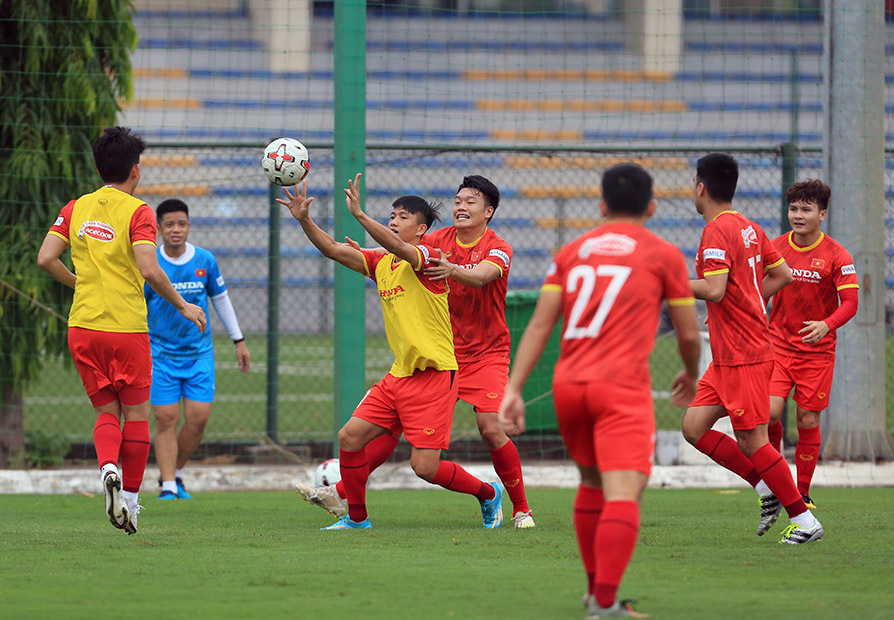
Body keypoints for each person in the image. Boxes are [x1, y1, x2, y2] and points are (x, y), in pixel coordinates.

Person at [500, 163, 701, 619]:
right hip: (620, 389)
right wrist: (690, 372)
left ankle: (596, 595)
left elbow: (541, 323)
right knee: (625, 493)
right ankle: (606, 604)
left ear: (602, 205)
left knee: (591, 483)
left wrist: (513, 388)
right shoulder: (663, 253)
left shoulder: (572, 251)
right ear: (652, 207)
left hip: (569, 387)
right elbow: (689, 335)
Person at [296, 175, 536, 529]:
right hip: (418, 362)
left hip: (477, 354)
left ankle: (519, 508)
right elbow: (364, 248)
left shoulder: (494, 247)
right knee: (357, 435)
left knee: (486, 429)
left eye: (470, 202)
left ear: (489, 212)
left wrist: (366, 220)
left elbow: (480, 275)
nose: (460, 207)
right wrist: (305, 219)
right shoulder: (429, 241)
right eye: (457, 200)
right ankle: (352, 509)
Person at [36, 126, 206, 535]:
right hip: (126, 329)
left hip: (82, 327)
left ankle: (107, 467)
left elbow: (45, 259)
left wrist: (80, 284)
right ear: (137, 169)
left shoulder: (75, 207)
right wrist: (183, 304)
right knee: (136, 415)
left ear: (98, 168)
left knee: (105, 412)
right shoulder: (138, 211)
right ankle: (129, 501)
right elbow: (149, 268)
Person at [680, 153, 824, 545]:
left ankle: (805, 520)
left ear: (701, 187)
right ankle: (766, 489)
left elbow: (713, 288)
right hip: (730, 353)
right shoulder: (749, 227)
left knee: (752, 440)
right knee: (694, 428)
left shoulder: (715, 231)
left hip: (745, 353)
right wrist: (747, 301)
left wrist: (665, 283)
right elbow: (783, 274)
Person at [145, 199, 251, 500]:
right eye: (169, 225)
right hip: (160, 355)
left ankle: (175, 471)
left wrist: (238, 340)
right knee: (165, 419)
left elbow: (220, 300)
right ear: (159, 229)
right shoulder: (150, 264)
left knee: (198, 418)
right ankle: (167, 485)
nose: (176, 230)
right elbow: (138, 304)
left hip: (199, 355)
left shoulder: (205, 260)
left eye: (181, 224)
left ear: (189, 226)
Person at [766, 179, 859, 508]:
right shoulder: (774, 247)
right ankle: (776, 481)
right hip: (777, 344)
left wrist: (826, 324)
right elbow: (755, 288)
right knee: (768, 413)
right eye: (793, 209)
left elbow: (850, 302)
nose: (798, 215)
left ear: (822, 214)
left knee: (807, 419)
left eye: (806, 209)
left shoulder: (837, 254)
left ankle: (802, 492)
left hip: (817, 353)